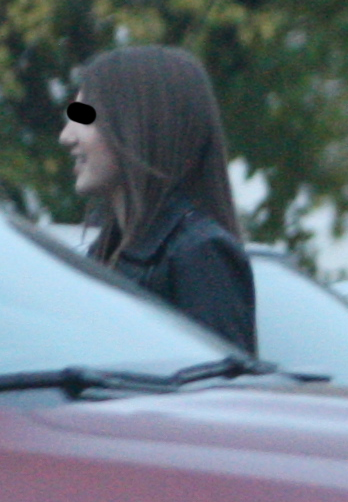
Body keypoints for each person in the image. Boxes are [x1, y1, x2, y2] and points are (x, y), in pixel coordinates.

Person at [60, 44, 258, 358]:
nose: (67, 137)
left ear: (138, 124)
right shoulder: (106, 253)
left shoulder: (199, 253)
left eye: (85, 116)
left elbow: (218, 396)